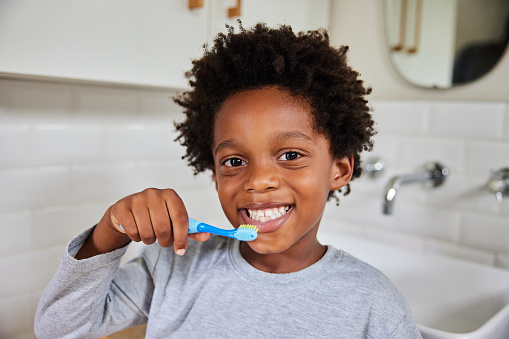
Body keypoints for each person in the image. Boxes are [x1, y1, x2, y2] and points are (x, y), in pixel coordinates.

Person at [35, 22, 422, 338]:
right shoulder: (173, 268)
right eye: (234, 160)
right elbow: (59, 330)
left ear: (339, 169)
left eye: (290, 156)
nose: (259, 181)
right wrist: (111, 230)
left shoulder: (374, 305)